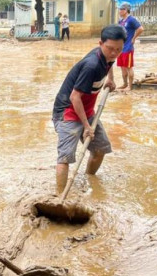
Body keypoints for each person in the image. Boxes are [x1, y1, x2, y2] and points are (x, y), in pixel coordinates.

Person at [52, 25, 126, 194]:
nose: (114, 53)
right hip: (68, 113)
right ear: (100, 44)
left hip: (87, 110)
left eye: (118, 49)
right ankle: (59, 196)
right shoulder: (91, 65)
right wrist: (86, 127)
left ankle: (88, 179)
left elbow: (110, 62)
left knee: (100, 150)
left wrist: (110, 80)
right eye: (110, 49)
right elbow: (74, 97)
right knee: (65, 158)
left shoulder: (108, 55)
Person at [117, 2, 143, 91]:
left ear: (126, 10)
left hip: (128, 48)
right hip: (120, 49)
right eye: (119, 9)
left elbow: (140, 29)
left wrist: (134, 38)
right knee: (122, 68)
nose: (119, 11)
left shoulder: (131, 20)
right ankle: (125, 84)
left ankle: (130, 86)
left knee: (129, 67)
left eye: (121, 9)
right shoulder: (120, 21)